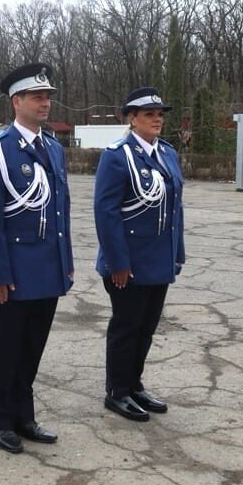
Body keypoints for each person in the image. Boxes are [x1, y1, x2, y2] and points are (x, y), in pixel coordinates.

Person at [0, 63, 74, 454]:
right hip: (15, 270)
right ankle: (2, 420)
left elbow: (61, 211)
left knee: (32, 347)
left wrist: (65, 261)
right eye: (37, 97)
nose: (45, 103)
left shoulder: (53, 148)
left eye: (47, 97)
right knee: (7, 348)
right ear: (17, 102)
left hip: (47, 267)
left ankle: (24, 416)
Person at [94, 87, 185, 422]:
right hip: (129, 262)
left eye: (160, 114)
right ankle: (117, 391)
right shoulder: (117, 156)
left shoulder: (167, 153)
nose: (157, 119)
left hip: (159, 259)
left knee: (146, 327)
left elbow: (175, 208)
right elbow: (106, 214)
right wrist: (117, 262)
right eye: (149, 114)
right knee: (126, 326)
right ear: (131, 118)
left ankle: (134, 384)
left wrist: (178, 251)